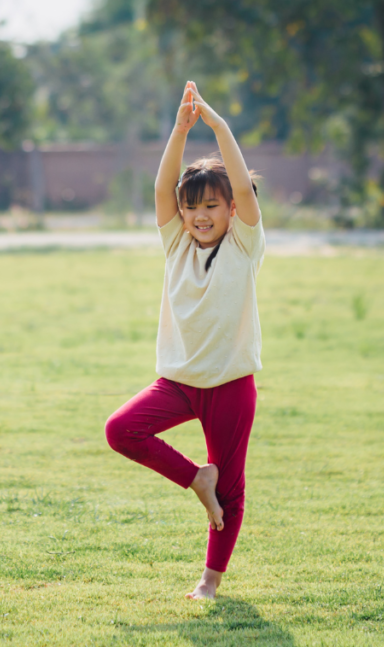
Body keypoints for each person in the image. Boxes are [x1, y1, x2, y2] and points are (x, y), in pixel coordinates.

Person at [105, 82, 264, 599]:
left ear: (231, 211)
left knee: (233, 490)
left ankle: (209, 581)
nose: (200, 215)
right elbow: (160, 190)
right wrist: (179, 130)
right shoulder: (176, 244)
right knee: (121, 430)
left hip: (230, 385)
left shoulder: (244, 245)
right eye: (192, 206)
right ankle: (197, 479)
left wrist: (218, 128)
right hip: (177, 382)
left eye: (211, 207)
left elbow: (243, 188)